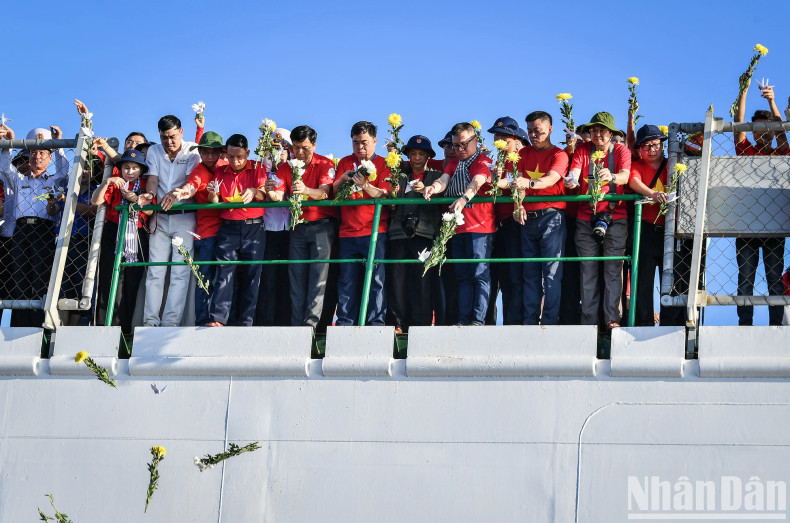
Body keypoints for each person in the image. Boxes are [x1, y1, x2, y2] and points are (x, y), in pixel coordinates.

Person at [424, 122, 495, 326]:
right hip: (457, 228)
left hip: (480, 228)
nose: (459, 150)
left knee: (480, 275)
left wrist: (464, 198)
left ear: (475, 141)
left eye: (464, 144)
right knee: (463, 277)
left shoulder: (483, 160)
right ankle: (464, 320)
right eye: (455, 146)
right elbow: (444, 180)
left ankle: (478, 321)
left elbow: (477, 181)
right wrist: (432, 188)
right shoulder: (454, 162)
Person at [565, 112, 631, 329]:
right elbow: (574, 171)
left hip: (615, 217)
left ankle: (612, 320)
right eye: (594, 130)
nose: (597, 134)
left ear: (611, 133)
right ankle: (589, 322)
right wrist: (571, 181)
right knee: (588, 270)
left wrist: (611, 176)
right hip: (586, 218)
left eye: (602, 130)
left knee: (613, 269)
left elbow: (625, 175)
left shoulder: (621, 150)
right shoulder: (583, 150)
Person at [205, 134, 280, 326]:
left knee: (251, 275)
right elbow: (215, 201)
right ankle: (219, 319)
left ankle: (246, 321)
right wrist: (212, 193)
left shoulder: (256, 167)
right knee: (224, 272)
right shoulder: (221, 171)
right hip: (228, 227)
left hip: (254, 227)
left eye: (239, 156)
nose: (235, 161)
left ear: (247, 152)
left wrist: (255, 191)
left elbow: (264, 194)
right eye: (230, 157)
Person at [267, 125, 336, 329]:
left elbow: (324, 192)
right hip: (297, 227)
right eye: (295, 147)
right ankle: (297, 324)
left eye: (304, 147)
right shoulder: (285, 167)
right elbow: (279, 195)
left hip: (322, 225)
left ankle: (311, 326)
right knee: (295, 277)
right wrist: (269, 190)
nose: (299, 152)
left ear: (314, 145)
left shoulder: (325, 163)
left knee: (318, 279)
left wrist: (305, 190)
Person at [732, 80, 789, 326]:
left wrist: (771, 100)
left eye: (766, 129)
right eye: (756, 129)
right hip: (746, 224)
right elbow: (737, 125)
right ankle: (745, 323)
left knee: (775, 278)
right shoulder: (746, 150)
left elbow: (782, 130)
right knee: (745, 278)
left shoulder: (780, 153)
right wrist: (743, 91)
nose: (761, 133)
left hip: (773, 226)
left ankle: (775, 324)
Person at [0, 125, 70, 326]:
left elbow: (64, 170)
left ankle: (38, 324)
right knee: (19, 276)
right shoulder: (19, 179)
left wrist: (58, 145)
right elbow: (5, 168)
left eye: (42, 153)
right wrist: (8, 144)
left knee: (41, 276)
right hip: (21, 230)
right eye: (33, 152)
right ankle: (19, 324)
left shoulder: (54, 179)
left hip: (43, 230)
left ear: (49, 158)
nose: (36, 157)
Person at [142, 115, 201, 327]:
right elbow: (153, 179)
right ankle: (150, 322)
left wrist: (174, 195)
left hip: (185, 217)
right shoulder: (154, 151)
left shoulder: (193, 149)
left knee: (180, 271)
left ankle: (171, 323)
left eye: (172, 136)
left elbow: (191, 180)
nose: (169, 141)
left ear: (181, 132)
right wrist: (149, 197)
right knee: (155, 271)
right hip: (159, 217)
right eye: (164, 137)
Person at [511, 111, 569, 325]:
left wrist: (529, 184)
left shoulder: (559, 154)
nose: (533, 135)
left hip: (551, 217)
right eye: (530, 131)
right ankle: (529, 321)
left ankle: (550, 321)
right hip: (527, 220)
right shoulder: (524, 153)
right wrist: (517, 206)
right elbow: (517, 182)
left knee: (552, 273)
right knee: (530, 273)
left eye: (538, 131)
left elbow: (552, 179)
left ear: (550, 129)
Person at [332, 121, 392, 326]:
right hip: (347, 232)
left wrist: (364, 185)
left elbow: (385, 195)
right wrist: (342, 180)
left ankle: (376, 323)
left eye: (364, 142)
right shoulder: (345, 163)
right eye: (356, 142)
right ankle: (345, 322)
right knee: (346, 281)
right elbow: (333, 192)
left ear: (374, 141)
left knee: (376, 280)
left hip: (374, 231)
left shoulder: (384, 164)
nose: (360, 147)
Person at [91, 149, 152, 334]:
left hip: (138, 235)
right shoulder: (116, 182)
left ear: (141, 170)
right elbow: (96, 201)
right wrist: (107, 182)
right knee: (108, 280)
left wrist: (137, 200)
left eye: (135, 168)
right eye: (126, 167)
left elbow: (150, 211)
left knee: (131, 283)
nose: (130, 171)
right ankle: (103, 328)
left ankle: (124, 330)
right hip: (113, 233)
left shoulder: (145, 185)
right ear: (121, 168)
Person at [387, 135, 443, 331]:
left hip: (425, 236)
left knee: (423, 281)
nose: (417, 157)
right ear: (408, 156)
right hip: (397, 235)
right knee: (396, 280)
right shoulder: (399, 176)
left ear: (428, 156)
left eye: (421, 153)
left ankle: (421, 325)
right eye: (413, 153)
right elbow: (391, 205)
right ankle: (398, 323)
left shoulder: (436, 177)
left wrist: (426, 191)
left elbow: (443, 196)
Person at [172, 131, 227, 326]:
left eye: (214, 152)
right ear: (200, 152)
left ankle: (222, 319)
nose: (210, 156)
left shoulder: (226, 166)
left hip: (229, 230)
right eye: (205, 152)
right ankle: (203, 319)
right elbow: (192, 186)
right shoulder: (199, 170)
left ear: (221, 152)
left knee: (226, 277)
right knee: (205, 276)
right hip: (207, 233)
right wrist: (183, 192)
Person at [627, 125, 671, 326]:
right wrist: (653, 194)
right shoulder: (638, 165)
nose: (652, 150)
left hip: (669, 231)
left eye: (655, 145)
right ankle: (643, 323)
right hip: (645, 229)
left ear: (662, 145)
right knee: (643, 279)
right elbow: (633, 182)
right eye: (646, 147)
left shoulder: (672, 164)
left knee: (669, 280)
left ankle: (671, 323)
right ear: (640, 150)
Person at [486, 116, 527, 325]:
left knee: (514, 276)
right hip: (496, 224)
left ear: (516, 138)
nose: (499, 139)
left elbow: (518, 184)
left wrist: (499, 180)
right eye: (497, 135)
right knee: (496, 276)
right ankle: (492, 324)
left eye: (504, 136)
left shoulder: (521, 158)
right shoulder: (497, 162)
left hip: (515, 223)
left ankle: (514, 323)